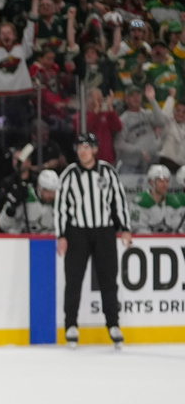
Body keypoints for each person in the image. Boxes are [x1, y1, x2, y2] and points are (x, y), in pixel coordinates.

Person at [55, 133, 132, 349]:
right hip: (77, 232)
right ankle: (71, 325)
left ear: (95, 150)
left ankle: (113, 325)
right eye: (79, 147)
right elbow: (61, 207)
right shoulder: (69, 174)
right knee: (74, 281)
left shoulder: (108, 171)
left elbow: (119, 201)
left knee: (108, 281)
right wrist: (61, 235)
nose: (83, 151)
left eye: (87, 147)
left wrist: (125, 228)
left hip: (104, 232)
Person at [0, 169, 60, 234]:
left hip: (48, 241)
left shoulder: (58, 201)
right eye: (47, 191)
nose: (51, 195)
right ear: (39, 187)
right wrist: (11, 209)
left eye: (54, 191)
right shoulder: (23, 196)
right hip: (22, 240)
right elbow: (3, 225)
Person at [130, 164, 183, 234]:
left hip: (171, 242)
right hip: (146, 242)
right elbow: (137, 228)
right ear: (151, 182)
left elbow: (180, 226)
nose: (165, 185)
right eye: (161, 181)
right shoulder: (140, 201)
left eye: (166, 181)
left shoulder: (174, 201)